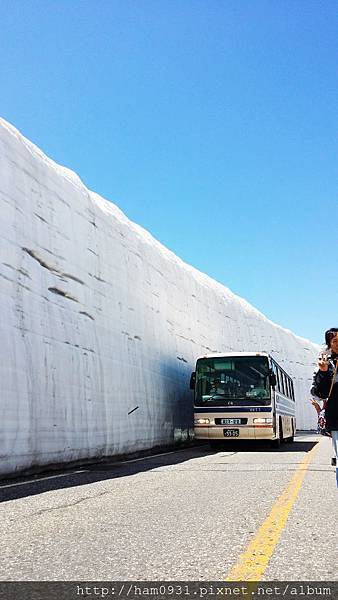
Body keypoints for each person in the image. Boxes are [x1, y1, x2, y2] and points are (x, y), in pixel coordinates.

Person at [311, 328, 338, 486]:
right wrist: (323, 372)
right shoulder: (326, 365)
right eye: (335, 341)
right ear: (329, 344)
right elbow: (319, 394)